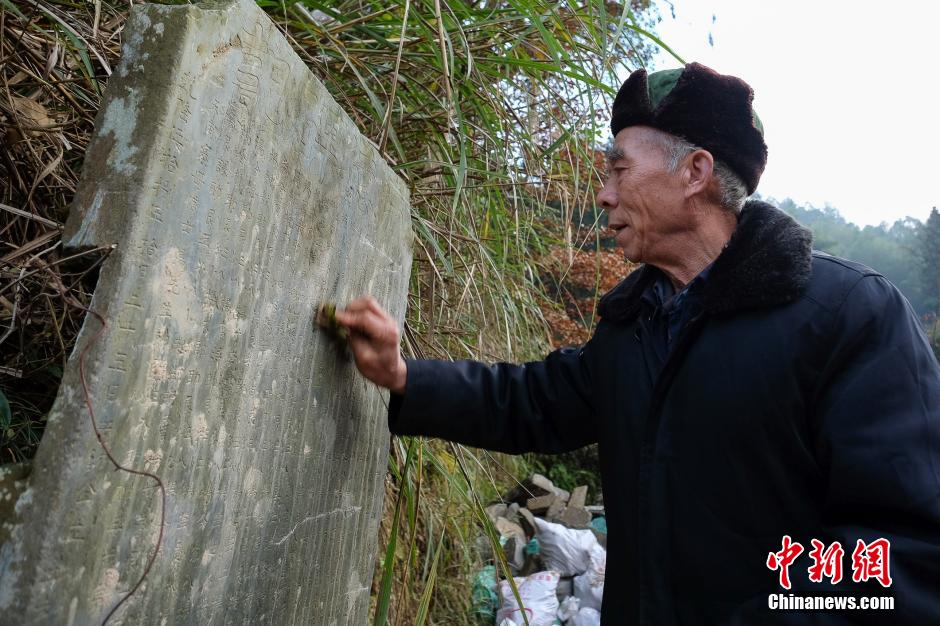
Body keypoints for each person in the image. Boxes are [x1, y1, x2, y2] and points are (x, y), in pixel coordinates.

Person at [335, 63, 940, 624]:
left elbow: (905, 553)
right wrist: (403, 376)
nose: (603, 194)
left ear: (694, 173)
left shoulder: (849, 315)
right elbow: (534, 402)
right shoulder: (633, 325)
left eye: (619, 169)